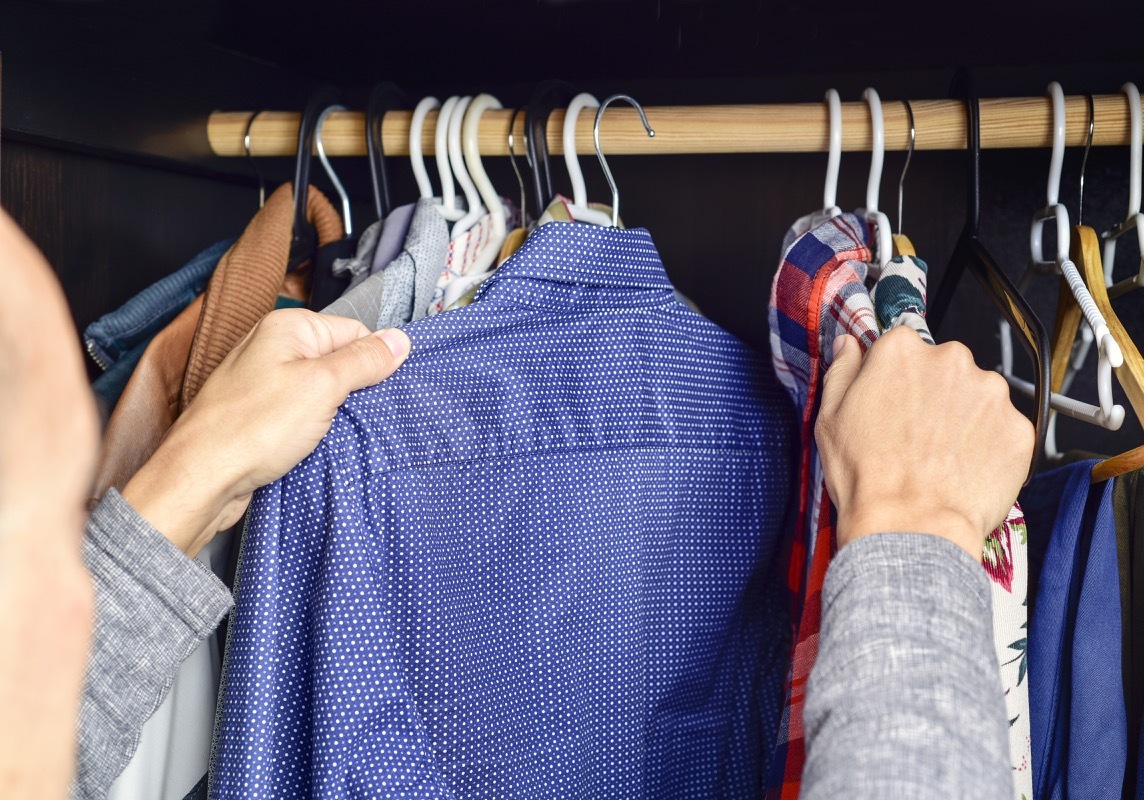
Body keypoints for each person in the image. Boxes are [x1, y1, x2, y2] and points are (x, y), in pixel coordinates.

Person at [0, 206, 1031, 799]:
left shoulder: (356, 450)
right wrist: (913, 520)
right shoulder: (820, 435)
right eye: (60, 535)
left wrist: (185, 477)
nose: (80, 579)